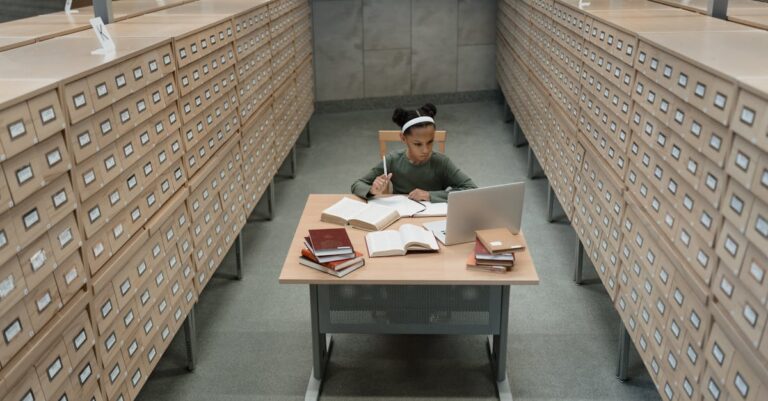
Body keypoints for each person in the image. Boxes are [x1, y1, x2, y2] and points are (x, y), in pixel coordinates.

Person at [351, 103, 477, 203]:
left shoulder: (442, 162)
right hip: (401, 219)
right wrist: (372, 190)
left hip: (433, 219)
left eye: (430, 142)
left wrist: (430, 195)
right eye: (418, 144)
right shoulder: (392, 160)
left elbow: (472, 190)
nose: (426, 150)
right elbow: (357, 185)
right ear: (403, 138)